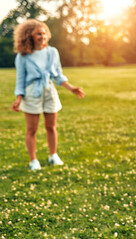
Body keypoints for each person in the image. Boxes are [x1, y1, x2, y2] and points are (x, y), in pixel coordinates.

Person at [12, 19, 85, 171]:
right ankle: (33, 161)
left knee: (51, 126)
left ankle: (53, 155)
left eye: (44, 33)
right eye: (39, 33)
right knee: (31, 129)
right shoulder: (23, 56)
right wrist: (18, 98)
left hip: (49, 91)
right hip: (32, 93)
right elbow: (20, 80)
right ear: (29, 35)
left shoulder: (52, 52)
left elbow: (58, 75)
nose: (42, 36)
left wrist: (71, 88)